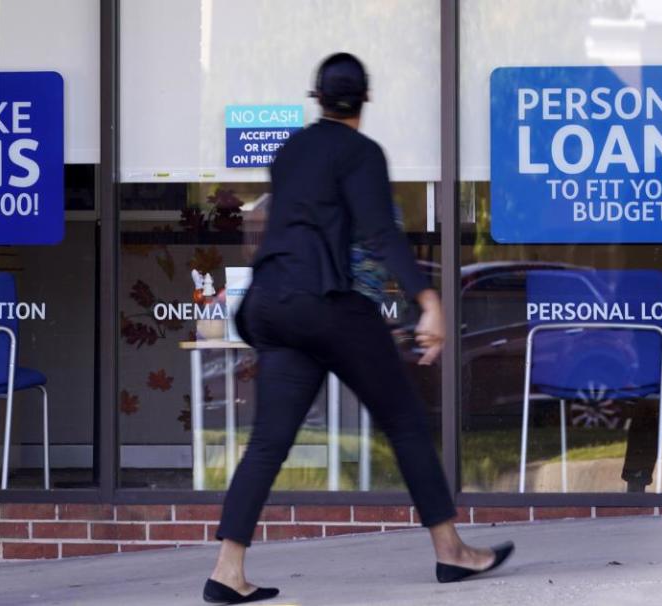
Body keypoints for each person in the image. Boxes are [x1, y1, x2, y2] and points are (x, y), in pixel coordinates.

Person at [202, 53, 514, 605]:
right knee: (405, 421)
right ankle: (452, 552)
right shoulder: (361, 153)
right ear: (363, 102)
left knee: (267, 444)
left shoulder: (290, 151)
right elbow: (379, 233)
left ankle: (228, 570)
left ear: (316, 98)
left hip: (273, 305)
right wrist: (428, 302)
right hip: (327, 305)